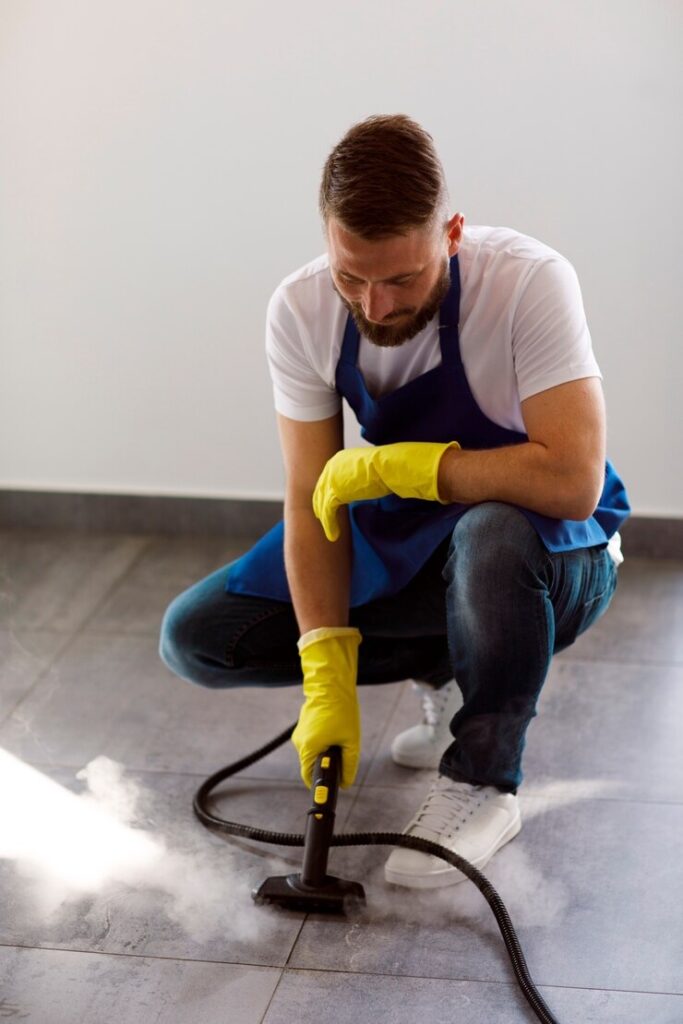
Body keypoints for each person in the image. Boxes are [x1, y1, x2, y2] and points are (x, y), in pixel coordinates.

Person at [160, 114, 629, 889]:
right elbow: (311, 502)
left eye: (400, 279)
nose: (374, 306)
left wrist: (414, 468)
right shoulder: (300, 308)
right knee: (199, 637)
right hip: (416, 545)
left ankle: (483, 779)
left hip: (554, 550)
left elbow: (569, 479)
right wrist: (325, 668)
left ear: (450, 232)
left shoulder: (527, 282)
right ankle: (452, 672)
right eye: (352, 276)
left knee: (493, 534)